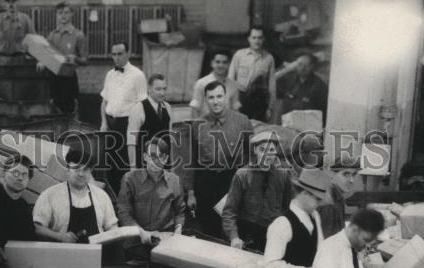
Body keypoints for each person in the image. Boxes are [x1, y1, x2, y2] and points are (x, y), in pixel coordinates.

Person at [182, 81, 253, 240]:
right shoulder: (198, 125)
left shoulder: (243, 122)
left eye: (219, 96)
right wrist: (191, 193)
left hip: (231, 181)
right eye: (211, 97)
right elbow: (191, 161)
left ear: (226, 97)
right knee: (209, 231)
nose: (215, 101)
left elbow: (251, 158)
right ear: (205, 100)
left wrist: (246, 186)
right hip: (205, 182)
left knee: (233, 229)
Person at [221, 130, 293, 252]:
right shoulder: (242, 175)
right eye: (262, 150)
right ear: (254, 150)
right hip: (246, 230)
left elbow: (288, 208)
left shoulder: (283, 175)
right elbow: (229, 210)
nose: (267, 155)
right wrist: (234, 237)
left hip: (271, 232)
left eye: (271, 150)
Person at [32, 148, 118, 241]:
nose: (81, 174)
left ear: (90, 171)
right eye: (76, 168)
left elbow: (112, 226)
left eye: (85, 169)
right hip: (61, 252)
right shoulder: (49, 194)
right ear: (68, 170)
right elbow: (37, 228)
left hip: (97, 253)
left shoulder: (102, 196)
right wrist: (60, 237)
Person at [100, 42, 148, 192]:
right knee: (110, 164)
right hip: (110, 124)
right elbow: (104, 101)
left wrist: (134, 130)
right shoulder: (109, 74)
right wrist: (103, 123)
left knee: (126, 164)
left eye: (120, 54)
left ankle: (128, 197)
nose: (117, 58)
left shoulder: (138, 75)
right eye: (114, 54)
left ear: (128, 53)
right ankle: (113, 199)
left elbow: (142, 105)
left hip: (127, 125)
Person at [117, 137, 186, 239]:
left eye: (161, 157)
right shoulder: (129, 179)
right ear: (145, 157)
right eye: (152, 157)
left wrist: (178, 230)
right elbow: (124, 213)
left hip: (165, 236)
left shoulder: (175, 181)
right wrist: (140, 232)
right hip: (137, 236)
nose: (155, 162)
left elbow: (179, 212)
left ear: (166, 159)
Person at [0, 153, 36, 268]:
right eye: (15, 173)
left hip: (17, 266)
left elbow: (30, 238)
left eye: (24, 175)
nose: (20, 178)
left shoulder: (24, 206)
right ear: (3, 174)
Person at [46, 2, 88, 115]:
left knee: (70, 115)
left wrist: (75, 59)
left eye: (66, 12)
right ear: (56, 15)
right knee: (53, 114)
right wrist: (41, 61)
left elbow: (85, 60)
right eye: (60, 13)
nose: (63, 15)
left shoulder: (78, 35)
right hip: (53, 79)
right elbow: (47, 55)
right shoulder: (52, 35)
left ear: (72, 14)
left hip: (69, 79)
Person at [228, 26, 276, 121]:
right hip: (240, 100)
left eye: (259, 38)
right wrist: (231, 104)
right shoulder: (239, 55)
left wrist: (270, 108)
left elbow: (272, 84)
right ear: (249, 39)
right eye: (254, 38)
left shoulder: (269, 58)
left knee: (258, 132)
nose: (257, 41)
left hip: (259, 103)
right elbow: (230, 80)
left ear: (263, 39)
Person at [127, 74, 172, 169]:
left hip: (164, 164)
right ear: (149, 89)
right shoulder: (138, 108)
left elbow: (169, 139)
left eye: (164, 89)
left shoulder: (167, 107)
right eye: (158, 89)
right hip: (145, 164)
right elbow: (131, 142)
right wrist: (133, 168)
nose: (162, 93)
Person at [316, 149, 360, 239]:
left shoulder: (337, 196)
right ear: (332, 174)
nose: (351, 180)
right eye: (346, 174)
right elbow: (327, 243)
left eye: (353, 175)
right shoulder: (329, 205)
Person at [273, 52, 328, 123]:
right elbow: (272, 79)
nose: (302, 68)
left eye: (307, 65)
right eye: (300, 64)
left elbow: (325, 111)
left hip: (307, 127)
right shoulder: (289, 80)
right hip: (286, 124)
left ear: (312, 66)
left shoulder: (319, 85)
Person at [190, 50, 242, 119]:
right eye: (217, 62)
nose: (221, 65)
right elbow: (195, 109)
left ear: (229, 64)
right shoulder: (202, 83)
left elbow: (235, 109)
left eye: (224, 62)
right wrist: (197, 128)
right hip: (206, 125)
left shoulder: (233, 85)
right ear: (212, 63)